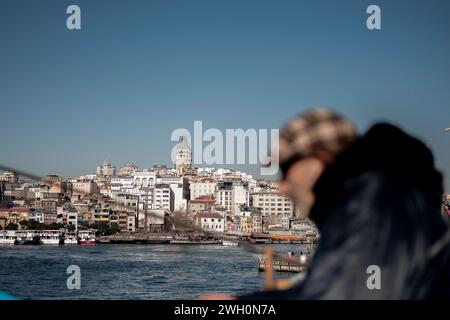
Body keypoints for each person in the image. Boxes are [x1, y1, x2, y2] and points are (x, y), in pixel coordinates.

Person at [201, 108, 450, 300]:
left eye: (287, 169)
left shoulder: (378, 199)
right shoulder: (369, 198)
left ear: (321, 158)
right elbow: (328, 289)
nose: (282, 186)